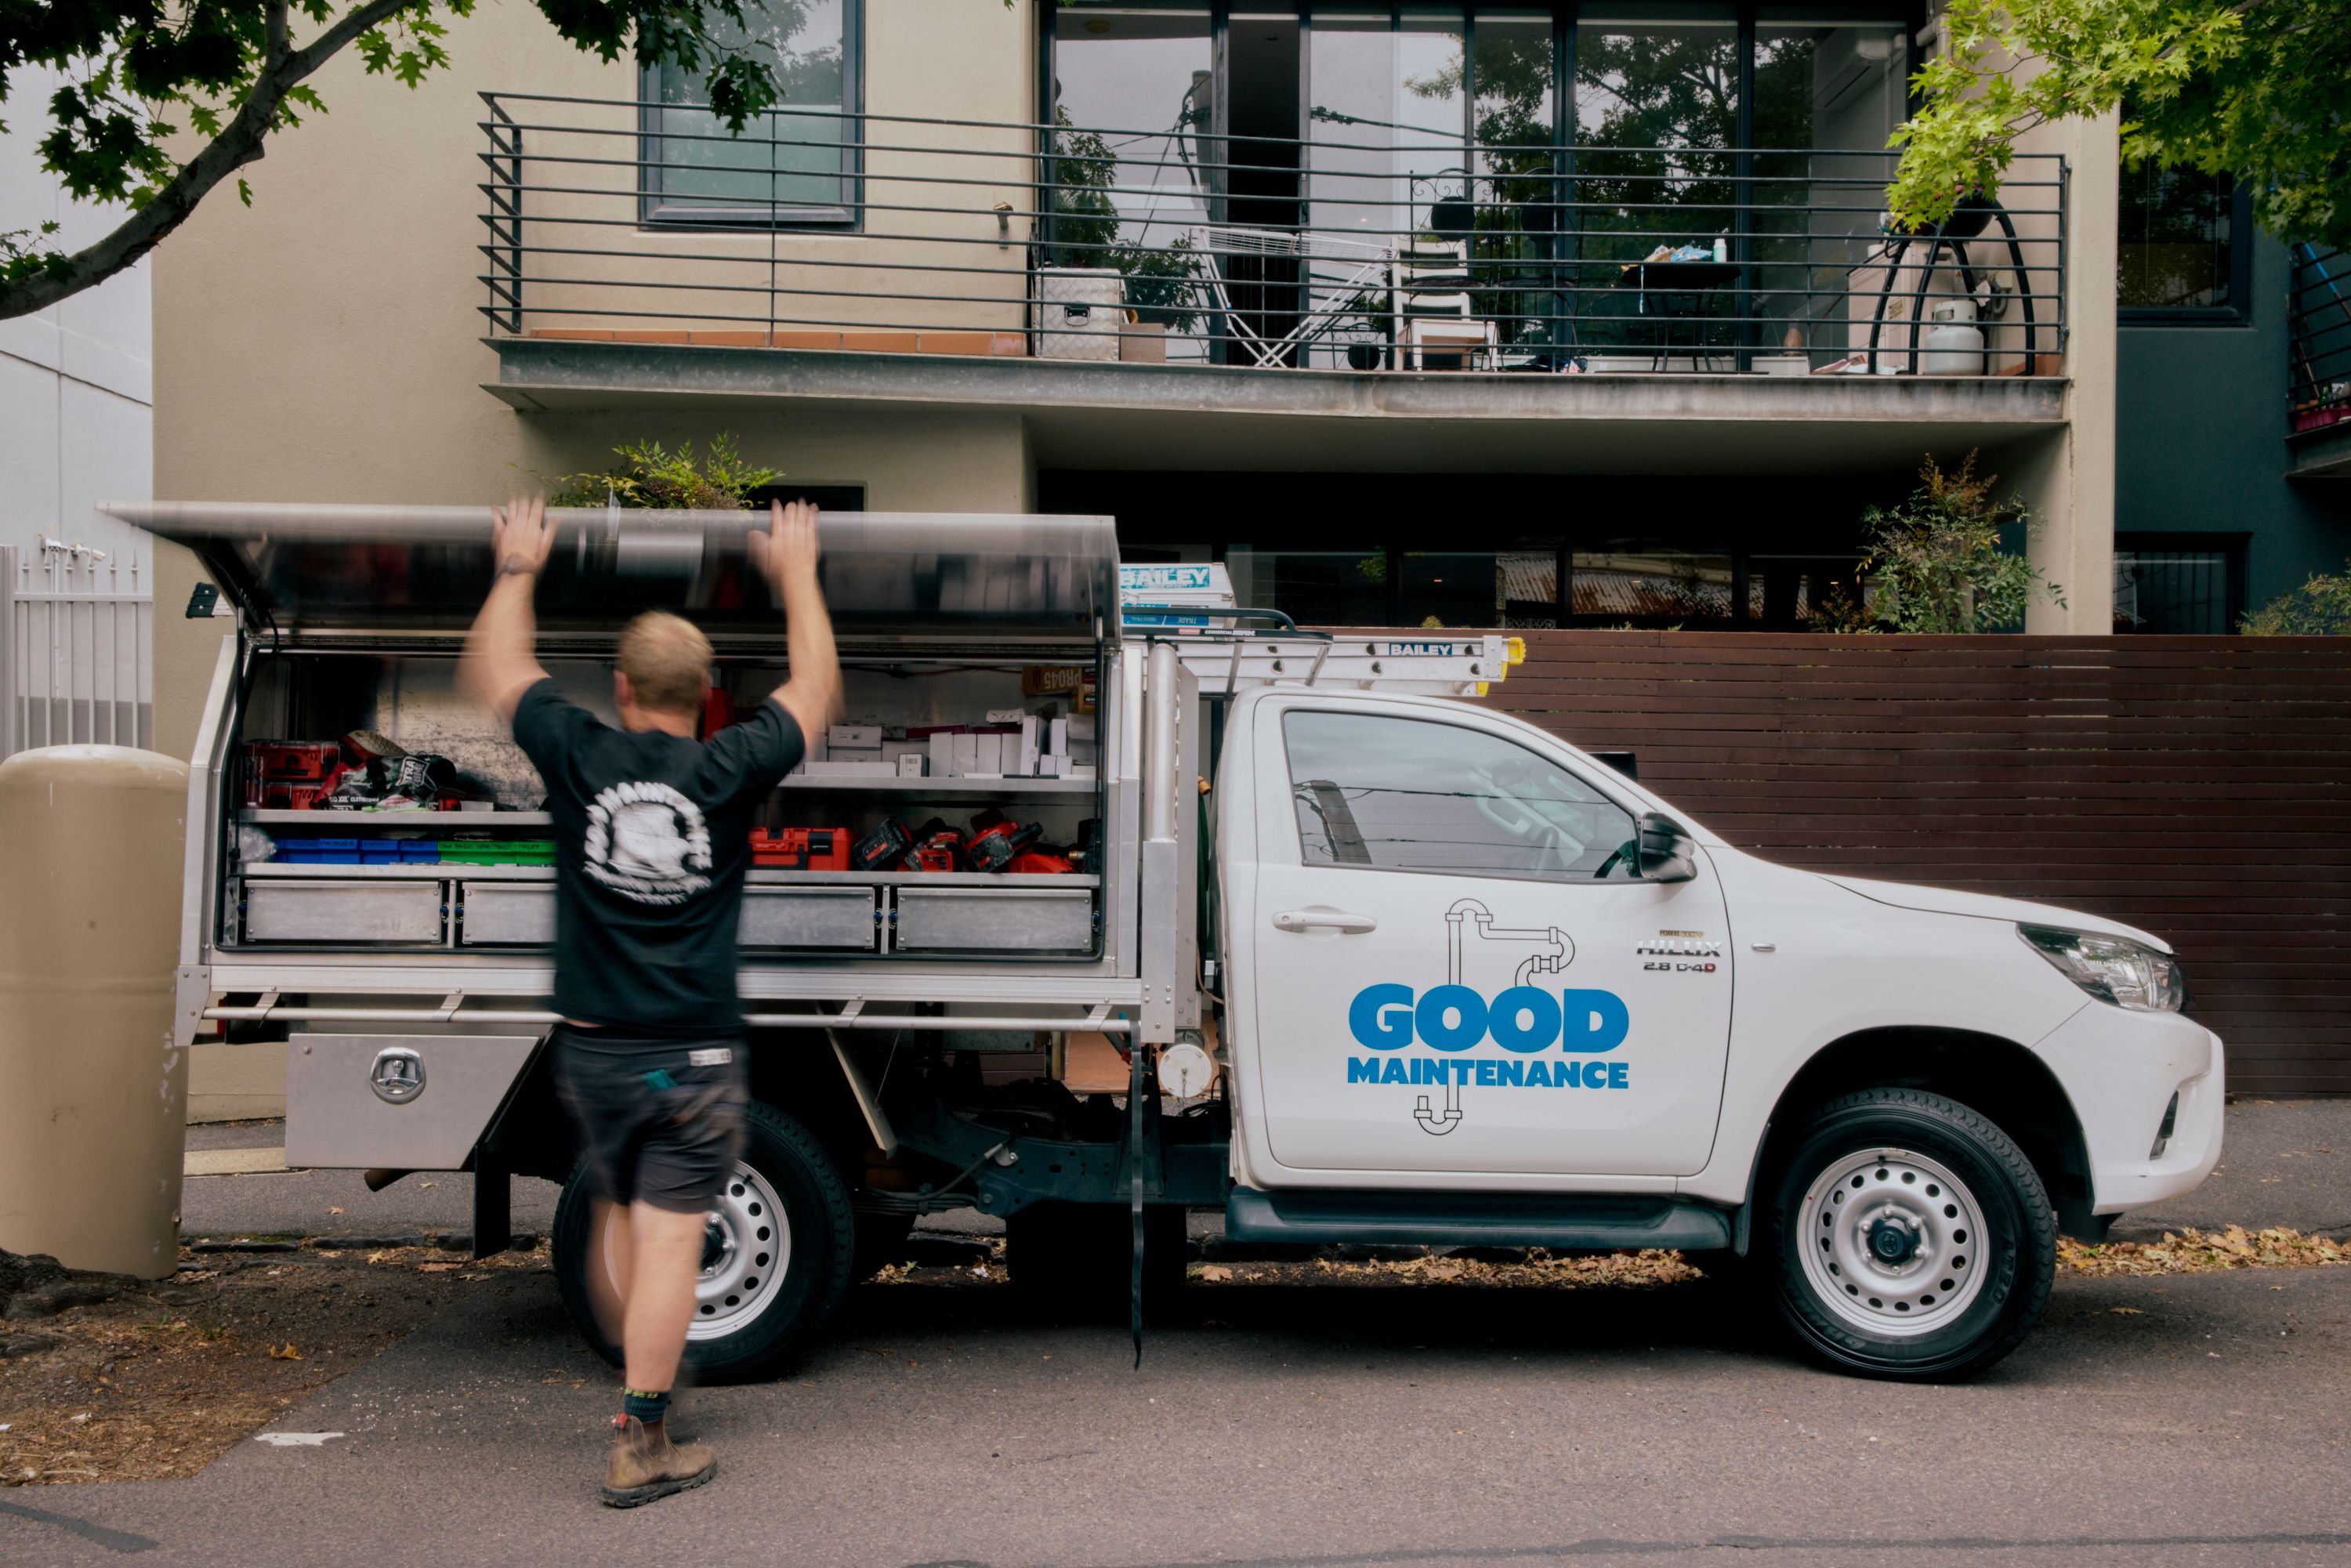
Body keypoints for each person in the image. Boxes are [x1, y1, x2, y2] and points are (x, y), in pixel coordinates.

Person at [461, 494, 839, 1507]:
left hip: (594, 1052)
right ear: (706, 695)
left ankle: (647, 1372)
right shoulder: (727, 767)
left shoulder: (578, 750)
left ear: (622, 687)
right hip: (693, 1055)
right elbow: (815, 689)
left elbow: (496, 671)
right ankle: (642, 1431)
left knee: (623, 1225)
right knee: (674, 1237)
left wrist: (518, 564)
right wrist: (796, 572)